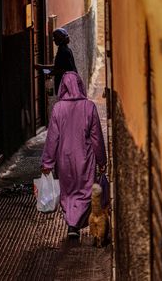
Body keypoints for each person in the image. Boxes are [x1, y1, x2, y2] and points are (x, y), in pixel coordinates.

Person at [41, 71, 107, 237]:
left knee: (68, 191)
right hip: (85, 158)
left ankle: (72, 224)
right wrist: (101, 160)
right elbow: (96, 138)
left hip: (64, 159)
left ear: (62, 87)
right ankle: (76, 223)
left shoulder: (58, 109)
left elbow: (52, 138)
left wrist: (47, 162)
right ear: (80, 86)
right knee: (84, 190)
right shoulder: (89, 107)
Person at [35, 28, 77, 95]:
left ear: (60, 39)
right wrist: (42, 67)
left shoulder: (63, 52)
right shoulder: (66, 49)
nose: (54, 40)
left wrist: (50, 73)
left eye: (55, 38)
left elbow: (61, 69)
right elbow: (58, 66)